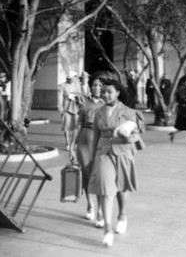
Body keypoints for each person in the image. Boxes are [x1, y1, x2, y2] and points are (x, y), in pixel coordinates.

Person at [88, 79, 142, 247]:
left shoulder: (128, 112)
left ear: (118, 92)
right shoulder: (98, 112)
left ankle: (122, 215)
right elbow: (96, 136)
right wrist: (92, 157)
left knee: (122, 188)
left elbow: (136, 136)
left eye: (109, 91)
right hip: (103, 153)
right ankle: (108, 230)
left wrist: (126, 136)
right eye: (103, 91)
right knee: (106, 190)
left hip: (123, 152)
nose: (105, 94)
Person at [74, 75, 105, 223]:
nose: (97, 88)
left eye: (100, 85)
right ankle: (90, 205)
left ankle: (100, 211)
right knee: (86, 176)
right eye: (94, 85)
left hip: (99, 143)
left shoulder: (107, 105)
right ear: (90, 87)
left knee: (98, 178)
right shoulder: (84, 104)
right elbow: (78, 125)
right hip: (84, 142)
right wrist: (72, 145)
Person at [58, 71, 84, 154]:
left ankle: (74, 143)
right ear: (69, 78)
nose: (74, 79)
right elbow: (60, 98)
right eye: (73, 77)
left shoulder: (76, 85)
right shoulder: (62, 86)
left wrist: (76, 96)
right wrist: (61, 108)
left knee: (76, 127)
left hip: (75, 108)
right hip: (66, 108)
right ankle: (67, 143)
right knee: (67, 127)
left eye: (75, 77)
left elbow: (80, 94)